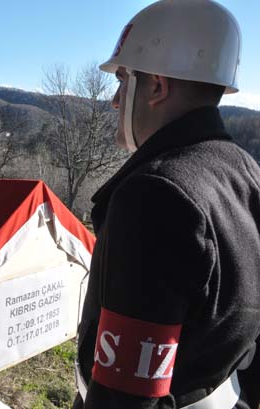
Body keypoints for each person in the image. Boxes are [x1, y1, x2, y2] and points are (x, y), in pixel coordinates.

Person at [74, 1, 260, 408]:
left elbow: (126, 395)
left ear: (156, 86)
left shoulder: (154, 196)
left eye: (123, 79)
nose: (115, 99)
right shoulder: (246, 171)